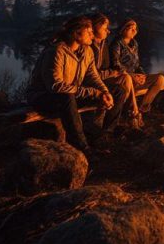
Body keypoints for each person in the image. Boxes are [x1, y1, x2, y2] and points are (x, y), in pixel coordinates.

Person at [25, 15, 113, 152]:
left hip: (68, 95)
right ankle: (81, 146)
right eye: (89, 32)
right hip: (43, 97)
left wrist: (104, 92)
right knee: (67, 97)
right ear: (76, 33)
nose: (92, 35)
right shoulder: (56, 51)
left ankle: (97, 136)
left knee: (106, 94)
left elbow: (92, 76)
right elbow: (55, 86)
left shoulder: (87, 51)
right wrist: (93, 92)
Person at [111, 18, 164, 125]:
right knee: (128, 80)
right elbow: (115, 64)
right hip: (124, 78)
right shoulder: (117, 44)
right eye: (130, 28)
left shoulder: (134, 44)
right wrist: (132, 75)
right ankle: (131, 113)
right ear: (123, 29)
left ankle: (142, 109)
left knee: (160, 79)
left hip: (135, 76)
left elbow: (137, 64)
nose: (134, 31)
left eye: (135, 28)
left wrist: (142, 75)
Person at [89, 13, 132, 132]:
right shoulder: (88, 47)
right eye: (104, 28)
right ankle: (104, 126)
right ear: (94, 27)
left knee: (125, 79)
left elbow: (109, 67)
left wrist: (117, 73)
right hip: (90, 83)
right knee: (118, 91)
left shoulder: (104, 44)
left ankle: (113, 123)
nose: (107, 31)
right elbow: (90, 74)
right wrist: (111, 73)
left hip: (102, 79)